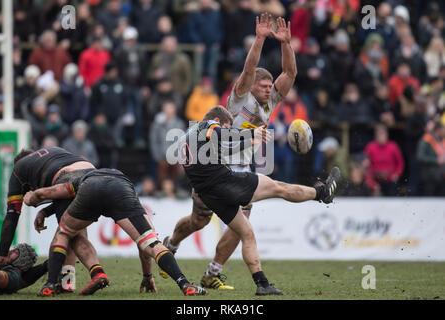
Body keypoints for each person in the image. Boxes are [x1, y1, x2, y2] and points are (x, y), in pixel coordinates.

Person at [162, 14, 298, 291]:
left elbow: (291, 74)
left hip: (242, 171)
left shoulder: (270, 102)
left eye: (269, 86)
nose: (268, 89)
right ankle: (171, 245)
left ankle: (213, 271)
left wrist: (286, 44)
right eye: (263, 85)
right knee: (198, 221)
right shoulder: (239, 98)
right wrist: (260, 39)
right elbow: (249, 70)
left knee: (241, 225)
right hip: (214, 168)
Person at [177, 106, 341, 295]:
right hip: (225, 182)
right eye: (227, 125)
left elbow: (213, 155)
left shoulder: (186, 137)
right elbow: (221, 133)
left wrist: (247, 142)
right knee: (280, 188)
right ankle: (322, 193)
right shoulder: (207, 124)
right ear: (217, 120)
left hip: (210, 195)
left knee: (246, 232)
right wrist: (250, 133)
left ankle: (262, 284)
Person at [23, 168, 208, 297]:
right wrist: (147, 276)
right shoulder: (122, 180)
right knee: (151, 243)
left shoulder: (80, 178)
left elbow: (50, 193)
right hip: (121, 191)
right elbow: (142, 248)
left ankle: (49, 285)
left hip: (90, 190)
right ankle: (185, 284)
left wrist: (34, 199)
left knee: (63, 233)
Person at [0, 147, 106, 295]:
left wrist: (3, 255)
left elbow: (12, 215)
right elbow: (61, 194)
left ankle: (85, 276)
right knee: (74, 232)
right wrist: (44, 211)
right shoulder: (52, 155)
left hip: (69, 179)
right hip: (93, 177)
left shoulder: (20, 169)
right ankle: (68, 283)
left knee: (66, 235)